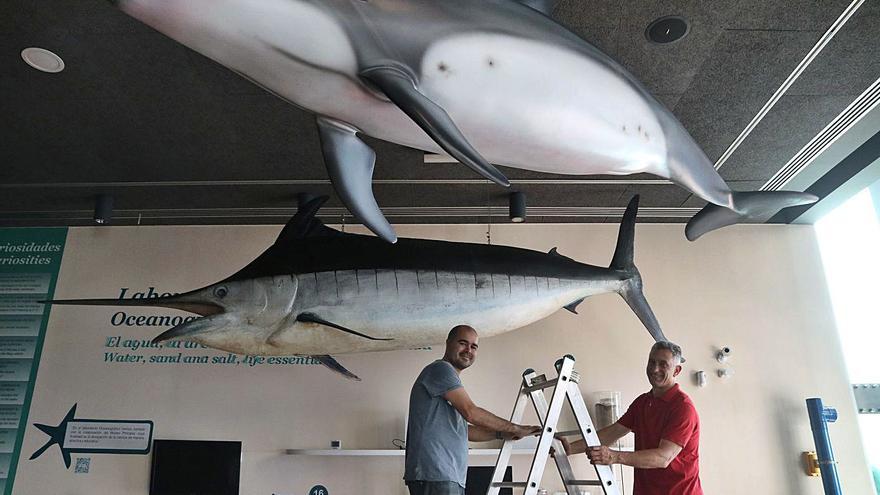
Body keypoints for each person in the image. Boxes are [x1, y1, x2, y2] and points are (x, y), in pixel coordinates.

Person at [404, 325, 542, 495]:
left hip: (445, 476)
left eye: (474, 346)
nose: (468, 350)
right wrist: (515, 428)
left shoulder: (447, 382)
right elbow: (471, 412)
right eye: (463, 343)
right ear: (448, 343)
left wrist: (499, 435)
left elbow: (464, 431)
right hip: (436, 474)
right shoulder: (441, 369)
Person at [558, 341, 702, 495]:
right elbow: (613, 432)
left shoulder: (683, 408)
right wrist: (570, 449)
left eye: (663, 364)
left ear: (677, 371)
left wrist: (614, 456)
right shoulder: (642, 403)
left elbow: (663, 458)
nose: (655, 369)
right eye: (651, 362)